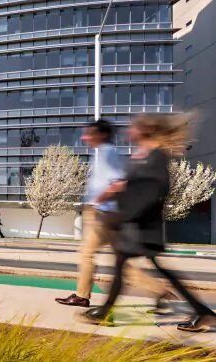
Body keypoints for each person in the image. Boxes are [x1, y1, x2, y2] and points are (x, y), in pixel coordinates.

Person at [81, 114, 216, 332]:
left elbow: (153, 192)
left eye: (132, 128)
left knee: (145, 269)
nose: (128, 132)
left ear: (144, 130)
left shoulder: (156, 157)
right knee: (124, 266)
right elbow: (134, 186)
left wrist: (121, 213)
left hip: (142, 226)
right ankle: (106, 311)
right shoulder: (144, 155)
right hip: (135, 224)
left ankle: (203, 312)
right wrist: (117, 191)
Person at [55, 119, 167, 310]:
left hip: (102, 214)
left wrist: (101, 199)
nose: (85, 137)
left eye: (89, 133)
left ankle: (82, 296)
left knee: (87, 254)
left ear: (101, 134)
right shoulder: (105, 153)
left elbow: (120, 180)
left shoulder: (108, 154)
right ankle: (158, 290)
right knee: (120, 260)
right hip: (107, 213)